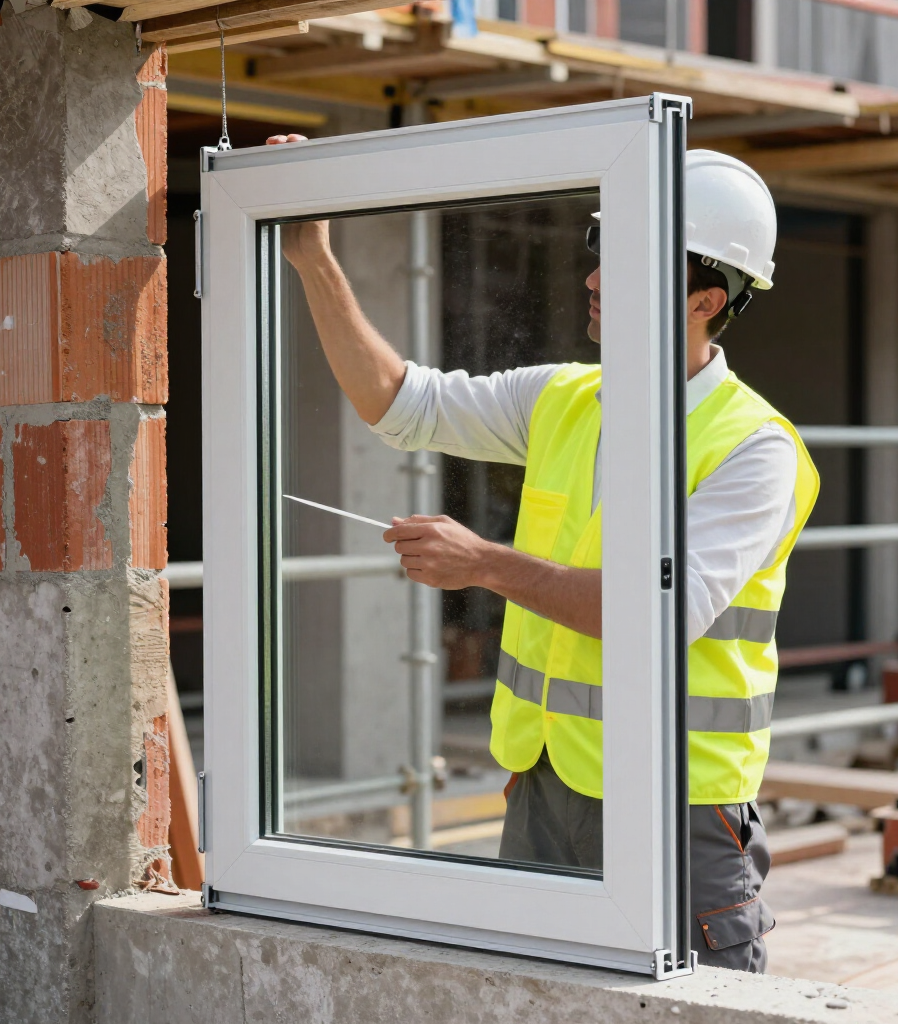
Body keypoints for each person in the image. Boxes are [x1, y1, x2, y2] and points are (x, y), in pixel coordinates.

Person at [268, 133, 820, 973]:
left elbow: (658, 619)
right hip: (542, 784)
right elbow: (400, 405)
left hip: (676, 806)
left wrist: (484, 564)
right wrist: (313, 262)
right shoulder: (563, 399)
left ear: (705, 299)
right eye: (599, 250)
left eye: (624, 259)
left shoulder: (754, 448)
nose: (593, 278)